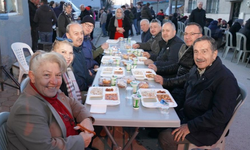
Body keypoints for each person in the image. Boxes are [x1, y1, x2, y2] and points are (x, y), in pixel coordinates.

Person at [158, 36, 240, 150]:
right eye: (196, 52)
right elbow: (185, 92)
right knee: (158, 121)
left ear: (214, 54)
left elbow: (220, 115)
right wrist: (171, 107)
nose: (199, 57)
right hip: (190, 115)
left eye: (204, 51)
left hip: (207, 128)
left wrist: (190, 127)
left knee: (166, 137)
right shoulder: (196, 69)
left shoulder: (225, 80)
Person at [7, 51, 95, 149]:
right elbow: (46, 147)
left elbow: (72, 103)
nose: (54, 81)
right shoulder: (26, 110)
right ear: (32, 76)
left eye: (58, 75)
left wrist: (86, 118)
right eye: (46, 75)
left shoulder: (50, 92)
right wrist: (80, 141)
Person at [151, 22, 202, 102]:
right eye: (185, 33)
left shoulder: (199, 54)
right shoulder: (186, 47)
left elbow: (189, 77)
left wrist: (166, 81)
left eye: (192, 34)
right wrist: (157, 68)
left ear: (200, 36)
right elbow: (177, 66)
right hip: (177, 85)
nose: (187, 37)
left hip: (184, 93)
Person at [51, 37, 83, 103]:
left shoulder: (67, 70)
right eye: (63, 52)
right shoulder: (54, 76)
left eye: (70, 53)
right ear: (53, 53)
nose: (68, 56)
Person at [65, 22, 93, 94]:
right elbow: (77, 84)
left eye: (81, 33)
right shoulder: (68, 54)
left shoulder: (79, 49)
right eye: (76, 34)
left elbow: (85, 74)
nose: (80, 37)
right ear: (68, 35)